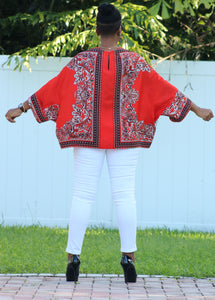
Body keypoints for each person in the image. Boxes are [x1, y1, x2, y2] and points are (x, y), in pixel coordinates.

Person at [5, 3, 213, 283]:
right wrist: (196, 109)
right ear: (120, 30)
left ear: (96, 30)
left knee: (82, 195)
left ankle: (73, 257)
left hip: (87, 138)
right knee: (125, 196)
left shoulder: (80, 61)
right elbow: (163, 90)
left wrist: (22, 107)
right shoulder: (135, 62)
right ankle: (128, 257)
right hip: (125, 139)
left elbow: (53, 88)